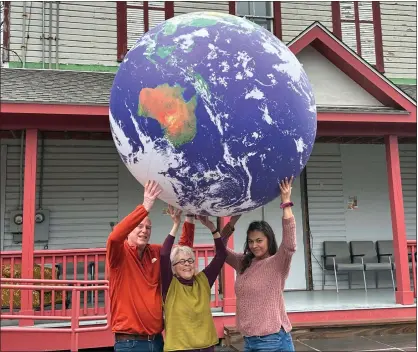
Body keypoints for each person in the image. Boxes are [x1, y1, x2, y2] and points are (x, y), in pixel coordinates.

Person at [106, 180, 195, 352]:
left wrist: (189, 218)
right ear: (129, 231)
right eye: (139, 226)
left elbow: (182, 253)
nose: (144, 230)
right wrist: (145, 206)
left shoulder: (154, 252)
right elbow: (114, 237)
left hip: (157, 340)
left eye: (148, 227)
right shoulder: (119, 254)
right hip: (129, 343)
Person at [221, 177, 297, 352]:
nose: (254, 245)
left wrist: (286, 202)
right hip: (249, 340)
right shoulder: (244, 262)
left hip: (271, 339)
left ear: (269, 240)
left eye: (259, 240)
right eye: (250, 241)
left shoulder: (277, 262)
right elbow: (220, 250)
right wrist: (232, 222)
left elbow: (290, 243)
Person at [160, 206, 227, 352]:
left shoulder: (202, 281)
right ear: (173, 267)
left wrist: (212, 227)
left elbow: (221, 255)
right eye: (182, 261)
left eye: (190, 260)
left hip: (207, 346)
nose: (187, 265)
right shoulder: (170, 285)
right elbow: (164, 255)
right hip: (180, 348)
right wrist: (176, 224)